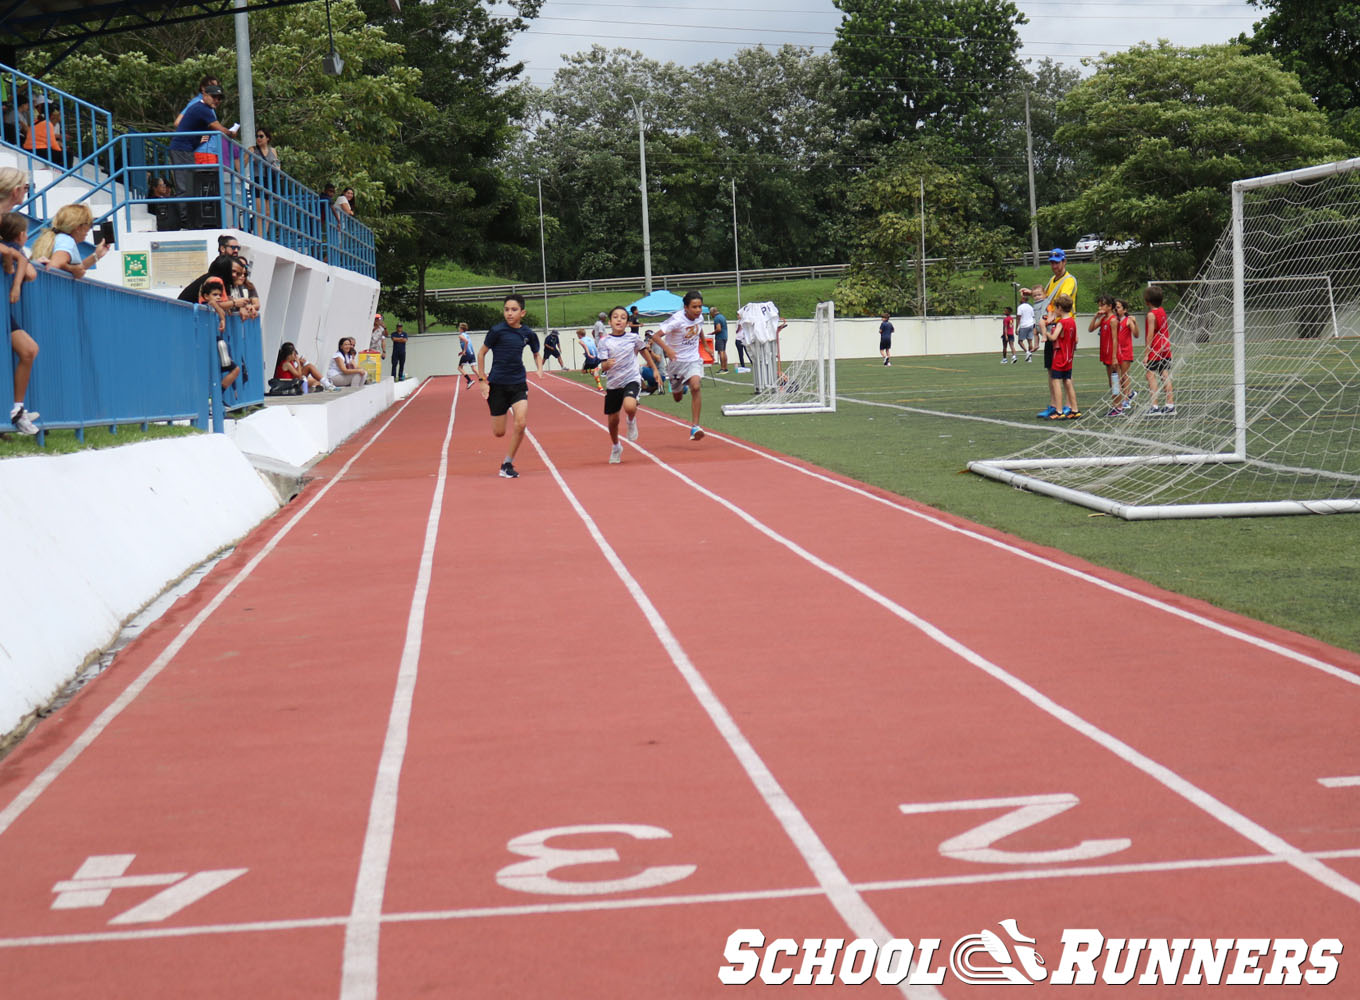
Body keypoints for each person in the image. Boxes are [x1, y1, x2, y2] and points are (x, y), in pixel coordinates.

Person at [476, 293, 543, 479]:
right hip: (497, 385)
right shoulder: (497, 331)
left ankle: (507, 463)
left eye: (514, 310)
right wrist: (482, 380)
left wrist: (539, 368)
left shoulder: (527, 333)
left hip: (518, 384)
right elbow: (481, 354)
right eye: (506, 309)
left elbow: (537, 352)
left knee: (521, 422)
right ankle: (506, 461)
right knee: (499, 432)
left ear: (523, 312)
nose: (509, 313)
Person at [598, 304, 675, 463]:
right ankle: (616, 446)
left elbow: (644, 351)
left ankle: (631, 420)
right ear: (610, 322)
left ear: (627, 323)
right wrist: (607, 365)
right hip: (613, 383)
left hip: (631, 378)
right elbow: (603, 365)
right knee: (613, 421)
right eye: (615, 317)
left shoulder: (633, 338)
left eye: (623, 318)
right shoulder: (604, 342)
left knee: (630, 406)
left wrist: (654, 369)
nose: (619, 320)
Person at [168, 84, 233, 227]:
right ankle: (185, 220)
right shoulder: (203, 109)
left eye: (219, 98)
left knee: (190, 185)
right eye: (214, 97)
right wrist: (231, 132)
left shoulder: (201, 108)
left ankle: (189, 219)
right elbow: (220, 129)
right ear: (205, 95)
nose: (217, 100)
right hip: (182, 149)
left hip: (186, 149)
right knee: (185, 186)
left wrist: (198, 139)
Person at [2, 211, 40, 434]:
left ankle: (17, 409)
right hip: (4, 311)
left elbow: (28, 267)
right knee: (28, 350)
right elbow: (31, 273)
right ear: (21, 235)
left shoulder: (13, 250)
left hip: (5, 313)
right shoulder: (11, 248)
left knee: (29, 350)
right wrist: (17, 283)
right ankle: (16, 410)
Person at [656, 289, 708, 440]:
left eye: (699, 306)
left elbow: (700, 330)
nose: (698, 310)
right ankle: (680, 386)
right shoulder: (676, 320)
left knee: (696, 386)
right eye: (694, 307)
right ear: (685, 307)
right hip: (676, 363)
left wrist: (705, 345)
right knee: (677, 397)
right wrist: (668, 350)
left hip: (693, 359)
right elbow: (656, 336)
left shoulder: (700, 318)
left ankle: (695, 426)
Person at [31, 204, 109, 279]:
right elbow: (54, 266)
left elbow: (78, 268)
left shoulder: (57, 238)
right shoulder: (67, 241)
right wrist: (72, 269)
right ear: (78, 227)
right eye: (89, 224)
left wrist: (97, 255)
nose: (89, 228)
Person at [1038, 293, 1079, 420]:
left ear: (1060, 308)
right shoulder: (1072, 321)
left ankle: (1059, 410)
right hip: (1069, 356)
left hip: (1060, 355)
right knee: (1068, 382)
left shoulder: (1061, 323)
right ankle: (1075, 409)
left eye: (1056, 308)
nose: (1055, 310)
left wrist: (1044, 329)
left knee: (1056, 382)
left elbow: (1053, 337)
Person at [1143, 285, 1175, 415]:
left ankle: (1154, 406)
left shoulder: (1151, 315)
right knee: (1164, 374)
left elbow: (1150, 335)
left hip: (1156, 349)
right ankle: (1170, 404)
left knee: (1150, 375)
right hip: (1165, 348)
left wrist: (1146, 354)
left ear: (1147, 301)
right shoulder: (1162, 311)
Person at [1090, 295, 1120, 414]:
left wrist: (1114, 357)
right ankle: (1116, 405)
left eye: (1102, 305)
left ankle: (1118, 407)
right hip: (1105, 353)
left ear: (1109, 306)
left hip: (1111, 354)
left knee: (1115, 380)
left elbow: (1115, 339)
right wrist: (1095, 317)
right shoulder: (1103, 319)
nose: (1100, 307)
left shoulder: (1113, 320)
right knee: (1111, 381)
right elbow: (1090, 329)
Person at [250, 126, 279, 237]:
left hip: (269, 181)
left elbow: (276, 165)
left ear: (267, 138)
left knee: (268, 212)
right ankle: (259, 235)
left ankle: (263, 235)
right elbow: (243, 164)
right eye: (257, 136)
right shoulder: (253, 149)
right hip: (258, 180)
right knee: (260, 211)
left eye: (261, 136)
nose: (259, 138)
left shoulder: (273, 151)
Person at [1113, 298, 1138, 414]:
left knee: (1124, 375)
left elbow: (1136, 335)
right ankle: (1130, 393)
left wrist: (1135, 322)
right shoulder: (1115, 320)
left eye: (1118, 307)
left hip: (1126, 351)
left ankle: (1127, 399)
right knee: (1119, 376)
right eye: (1115, 307)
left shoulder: (1128, 320)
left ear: (1124, 309)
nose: (1116, 309)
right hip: (1118, 351)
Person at [1016, 288, 1036, 363]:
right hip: (1031, 324)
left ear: (1023, 299)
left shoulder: (1020, 307)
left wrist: (1016, 328)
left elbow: (1018, 317)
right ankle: (1030, 357)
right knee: (1030, 341)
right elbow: (1033, 316)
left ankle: (1027, 352)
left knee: (1020, 341)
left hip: (1024, 325)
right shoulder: (1030, 307)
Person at [710, 307, 730, 373]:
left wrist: (712, 333)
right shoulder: (722, 316)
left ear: (713, 312)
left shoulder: (716, 318)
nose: (710, 315)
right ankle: (725, 367)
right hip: (725, 336)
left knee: (720, 352)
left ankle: (722, 368)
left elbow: (718, 329)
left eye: (711, 313)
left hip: (720, 337)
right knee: (724, 351)